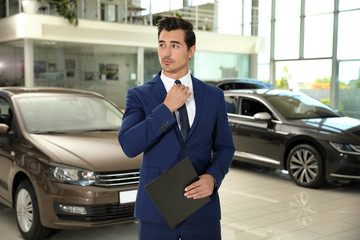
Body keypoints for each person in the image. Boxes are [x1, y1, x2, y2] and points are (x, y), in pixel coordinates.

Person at [118, 16, 235, 240]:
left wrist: (213, 177)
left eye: (174, 45)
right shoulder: (139, 95)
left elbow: (225, 147)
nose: (166, 52)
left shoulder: (213, 96)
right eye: (162, 44)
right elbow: (129, 145)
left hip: (202, 208)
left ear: (191, 50)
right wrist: (166, 108)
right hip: (155, 211)